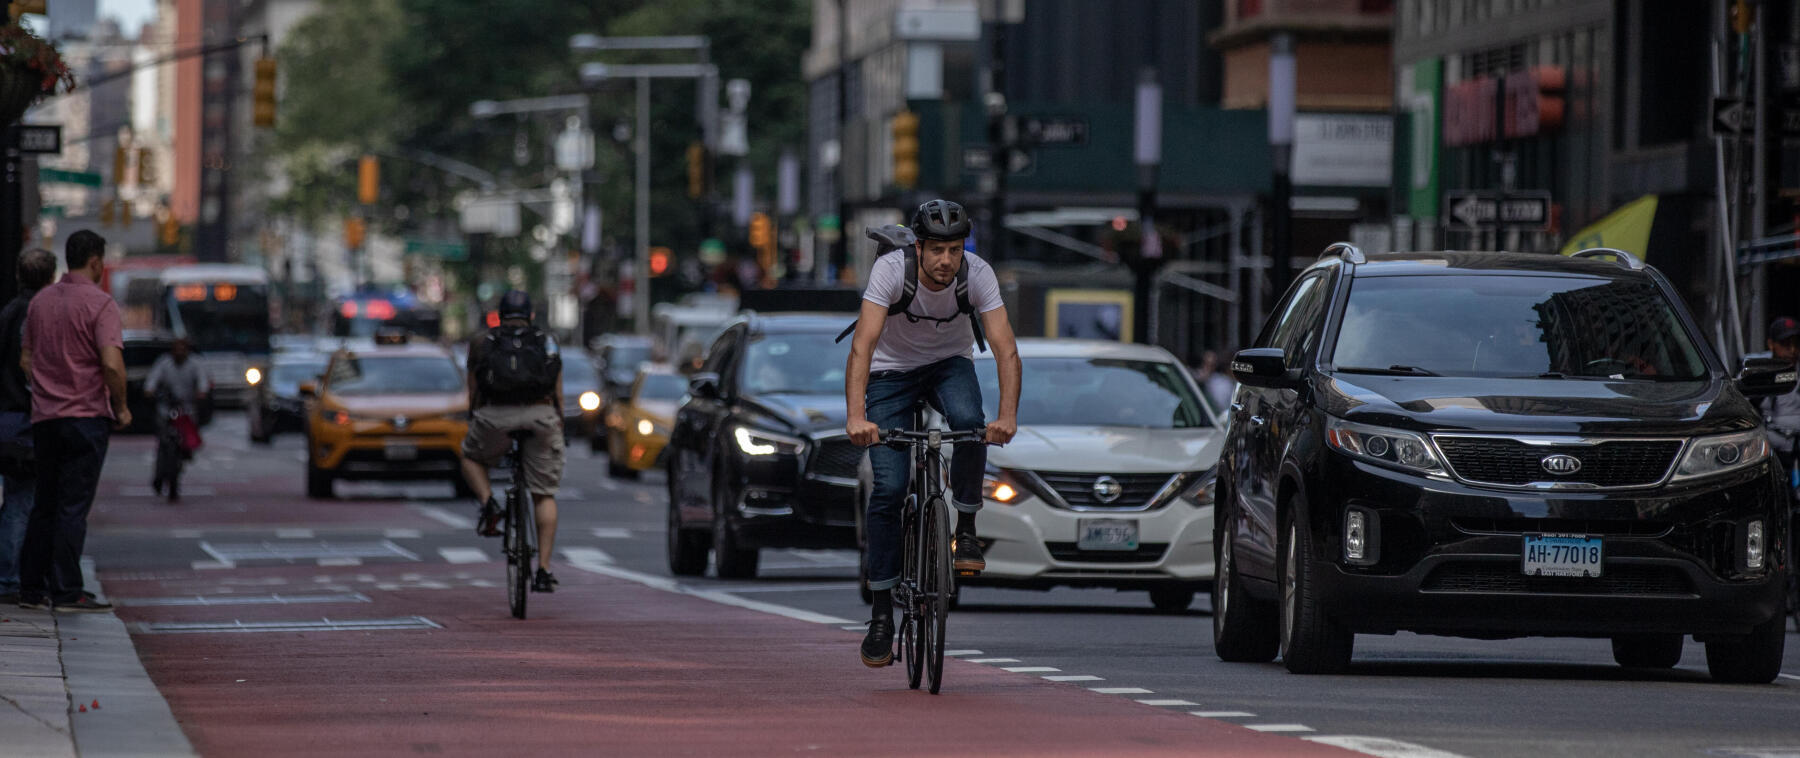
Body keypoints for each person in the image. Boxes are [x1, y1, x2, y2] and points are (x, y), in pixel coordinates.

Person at [844, 199, 1021, 668]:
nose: (947, 260)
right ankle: (881, 615)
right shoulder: (889, 271)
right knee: (889, 488)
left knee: (969, 426)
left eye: (955, 249)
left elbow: (1005, 350)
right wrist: (856, 416)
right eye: (937, 250)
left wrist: (1006, 417)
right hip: (890, 375)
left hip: (949, 367)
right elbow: (862, 346)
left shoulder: (977, 274)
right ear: (918, 248)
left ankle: (964, 529)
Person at [17, 230, 129, 613]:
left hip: (46, 417)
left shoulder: (40, 302)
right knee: (72, 507)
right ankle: (67, 590)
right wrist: (123, 406)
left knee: (44, 503)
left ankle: (31, 586)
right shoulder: (101, 305)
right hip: (85, 417)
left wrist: (45, 388)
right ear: (95, 260)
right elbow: (112, 365)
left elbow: (26, 359)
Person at [459, 290, 565, 593]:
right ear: (531, 315)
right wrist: (557, 420)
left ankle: (488, 501)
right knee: (544, 494)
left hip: (495, 417)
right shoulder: (547, 340)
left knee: (470, 457)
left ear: (500, 315)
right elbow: (557, 388)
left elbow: (473, 388)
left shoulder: (483, 342)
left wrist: (476, 417)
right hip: (540, 416)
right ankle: (543, 570)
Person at [0, 250, 56, 605]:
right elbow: (28, 367)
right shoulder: (33, 313)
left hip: (9, 415)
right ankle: (10, 578)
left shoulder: (8, 311)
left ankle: (14, 574)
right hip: (25, 415)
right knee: (24, 499)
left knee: (19, 497)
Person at [143, 337, 210, 497]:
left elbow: (203, 383)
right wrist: (150, 391)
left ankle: (185, 455)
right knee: (163, 440)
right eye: (176, 348)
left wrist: (201, 392)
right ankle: (159, 475)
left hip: (187, 409)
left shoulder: (196, 363)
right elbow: (151, 381)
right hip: (166, 408)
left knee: (188, 436)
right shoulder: (164, 363)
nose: (179, 352)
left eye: (183, 349)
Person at [1762, 316, 1800, 464]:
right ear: (1771, 344)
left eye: (1797, 344)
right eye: (1785, 344)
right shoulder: (1759, 373)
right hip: (1771, 452)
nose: (1792, 350)